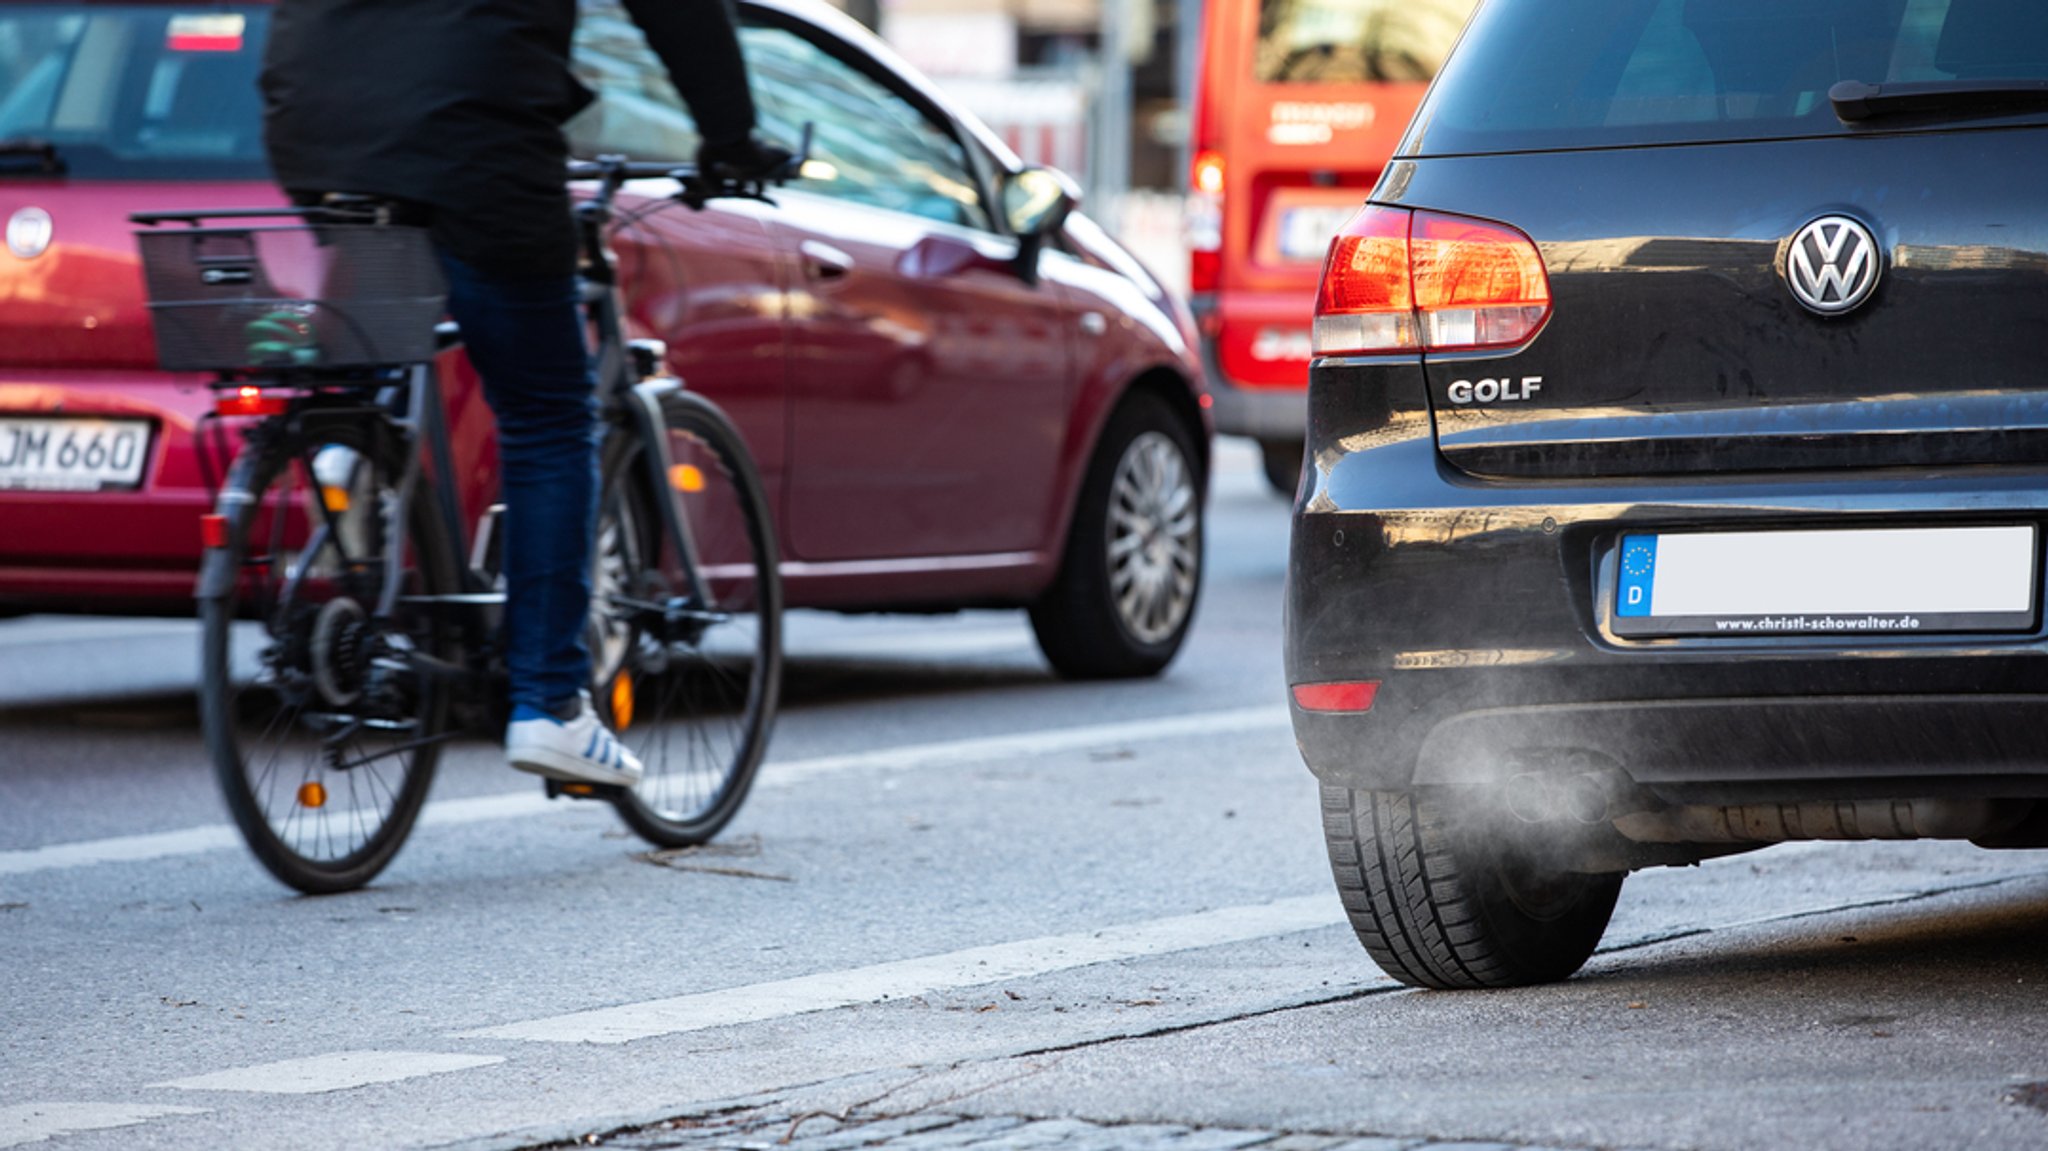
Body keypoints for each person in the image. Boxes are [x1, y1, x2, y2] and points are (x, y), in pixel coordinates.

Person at [259, 0, 788, 787]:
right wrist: (730, 136)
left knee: (381, 335)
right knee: (547, 415)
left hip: (319, 130)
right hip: (475, 141)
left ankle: (349, 450)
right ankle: (549, 703)